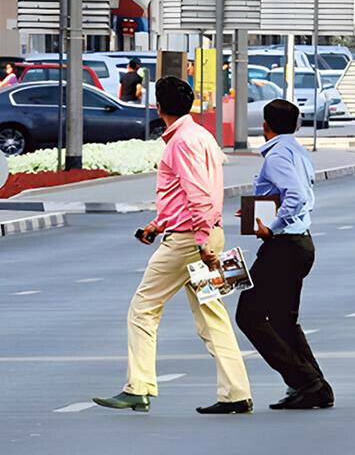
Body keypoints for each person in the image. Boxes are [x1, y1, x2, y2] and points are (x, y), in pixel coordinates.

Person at [93, 76, 253, 415]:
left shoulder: (180, 143)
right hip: (202, 233)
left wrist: (200, 241)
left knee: (143, 308)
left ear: (158, 106)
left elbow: (198, 194)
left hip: (188, 242)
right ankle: (236, 392)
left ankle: (138, 387)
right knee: (212, 317)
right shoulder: (201, 136)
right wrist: (158, 224)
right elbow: (193, 193)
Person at [235, 99, 334, 410]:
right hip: (299, 243)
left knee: (249, 315)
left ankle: (305, 381)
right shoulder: (297, 151)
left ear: (265, 127)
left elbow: (296, 195)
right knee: (282, 320)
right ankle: (314, 387)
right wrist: (259, 208)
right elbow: (292, 193)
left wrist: (273, 227)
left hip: (284, 245)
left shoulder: (277, 155)